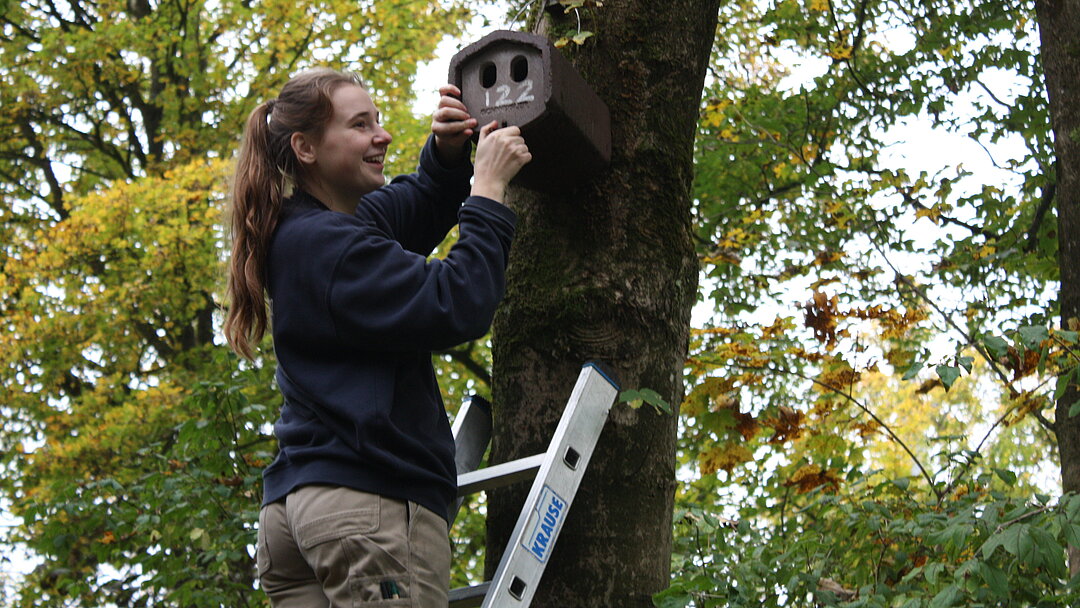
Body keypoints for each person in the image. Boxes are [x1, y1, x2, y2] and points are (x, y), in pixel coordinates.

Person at [224, 67, 531, 607]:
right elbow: (456, 302)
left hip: (297, 515)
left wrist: (447, 157)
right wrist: (486, 191)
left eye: (379, 122)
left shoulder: (309, 231)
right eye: (361, 124)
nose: (382, 136)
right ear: (306, 148)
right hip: (365, 506)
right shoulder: (331, 246)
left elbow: (409, 209)